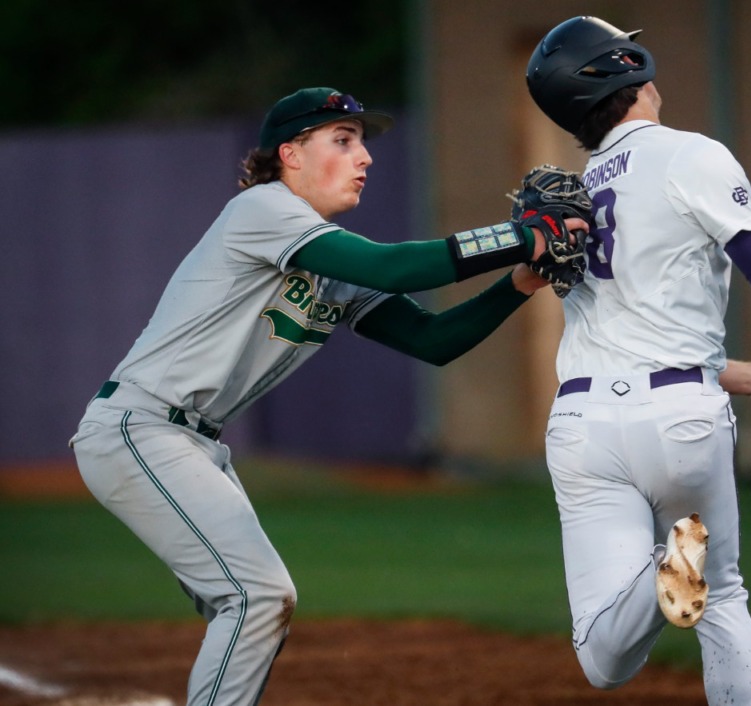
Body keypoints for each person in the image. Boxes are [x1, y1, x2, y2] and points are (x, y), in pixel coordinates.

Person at [69, 86, 586, 706]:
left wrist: (521, 280)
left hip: (187, 443)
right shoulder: (262, 209)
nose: (364, 156)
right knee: (257, 597)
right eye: (343, 141)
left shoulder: (327, 263)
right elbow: (398, 268)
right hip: (140, 431)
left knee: (243, 607)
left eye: (362, 142)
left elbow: (434, 338)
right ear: (289, 154)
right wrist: (522, 235)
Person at [524, 16, 751, 704]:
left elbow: (629, 334)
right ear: (629, 66)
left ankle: (673, 563)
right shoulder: (689, 154)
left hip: (582, 423)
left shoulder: (570, 194)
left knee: (604, 661)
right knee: (719, 598)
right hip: (681, 419)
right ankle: (679, 560)